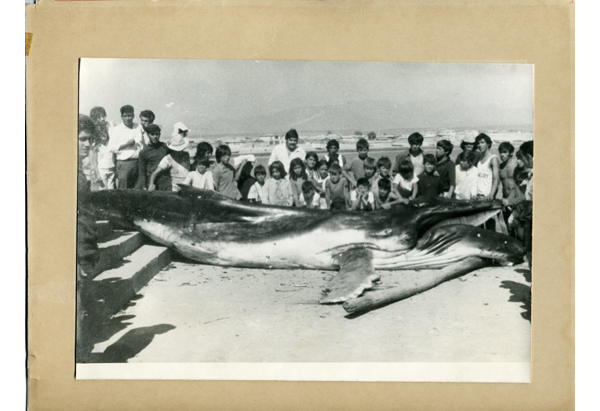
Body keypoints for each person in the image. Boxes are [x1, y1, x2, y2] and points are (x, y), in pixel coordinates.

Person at [76, 114, 100, 361]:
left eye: (90, 140)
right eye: (82, 139)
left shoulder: (77, 170)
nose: (87, 144)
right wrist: (84, 254)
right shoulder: (66, 172)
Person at [109, 105, 144, 188]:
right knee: (123, 193)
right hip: (124, 164)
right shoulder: (116, 130)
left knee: (137, 191)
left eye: (129, 115)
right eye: (125, 116)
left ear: (133, 116)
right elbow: (111, 148)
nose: (128, 118)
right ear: (121, 117)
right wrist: (126, 145)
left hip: (138, 163)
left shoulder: (138, 126)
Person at [137, 124, 170, 190]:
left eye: (157, 134)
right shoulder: (144, 152)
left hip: (165, 181)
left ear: (160, 134)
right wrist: (144, 187)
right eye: (152, 134)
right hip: (152, 183)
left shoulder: (165, 147)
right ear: (148, 135)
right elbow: (142, 171)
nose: (155, 136)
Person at [475, 133, 500, 200]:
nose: (480, 145)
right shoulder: (480, 159)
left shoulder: (493, 159)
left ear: (488, 144)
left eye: (482, 142)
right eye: (478, 143)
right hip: (478, 195)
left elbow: (496, 179)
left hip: (487, 196)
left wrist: (491, 195)